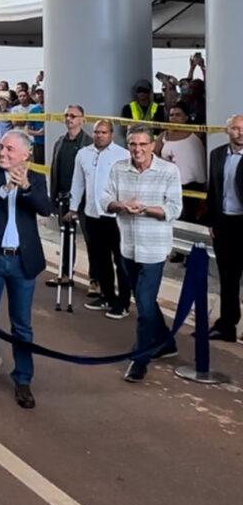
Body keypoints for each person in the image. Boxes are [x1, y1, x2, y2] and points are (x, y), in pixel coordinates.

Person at [0, 131, 51, 409]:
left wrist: (25, 186)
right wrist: (3, 191)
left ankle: (23, 379)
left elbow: (45, 208)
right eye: (1, 147)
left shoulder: (36, 178)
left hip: (22, 261)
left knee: (22, 325)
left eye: (10, 149)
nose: (3, 152)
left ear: (26, 154)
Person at [101, 126, 182, 383]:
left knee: (144, 305)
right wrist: (120, 206)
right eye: (133, 145)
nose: (138, 149)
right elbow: (105, 199)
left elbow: (174, 208)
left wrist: (145, 209)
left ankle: (140, 359)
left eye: (143, 145)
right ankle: (166, 342)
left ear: (151, 146)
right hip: (128, 247)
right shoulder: (118, 168)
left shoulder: (169, 171)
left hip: (155, 248)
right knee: (145, 300)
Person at [67, 120, 131, 317]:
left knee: (120, 260)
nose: (99, 135)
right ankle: (107, 296)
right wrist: (72, 208)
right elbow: (78, 182)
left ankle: (124, 302)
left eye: (104, 132)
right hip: (92, 213)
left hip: (115, 216)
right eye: (96, 132)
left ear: (111, 134)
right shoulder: (83, 154)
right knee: (100, 258)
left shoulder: (123, 155)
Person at [204, 114, 243, 342]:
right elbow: (213, 191)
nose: (240, 133)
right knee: (228, 279)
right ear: (228, 131)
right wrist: (211, 221)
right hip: (224, 224)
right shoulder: (217, 154)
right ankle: (226, 326)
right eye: (236, 129)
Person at [48, 104, 93, 289]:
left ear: (82, 118)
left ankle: (95, 280)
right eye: (66, 115)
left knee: (92, 241)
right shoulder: (60, 142)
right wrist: (53, 199)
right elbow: (54, 172)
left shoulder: (89, 143)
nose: (69, 119)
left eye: (73, 116)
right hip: (64, 198)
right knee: (66, 238)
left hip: (85, 201)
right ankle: (65, 273)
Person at [154, 101, 206, 223]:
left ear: (186, 117)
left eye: (178, 115)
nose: (174, 118)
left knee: (190, 217)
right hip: (171, 183)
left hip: (193, 183)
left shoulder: (197, 133)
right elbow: (153, 154)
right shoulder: (164, 135)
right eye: (171, 115)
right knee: (175, 216)